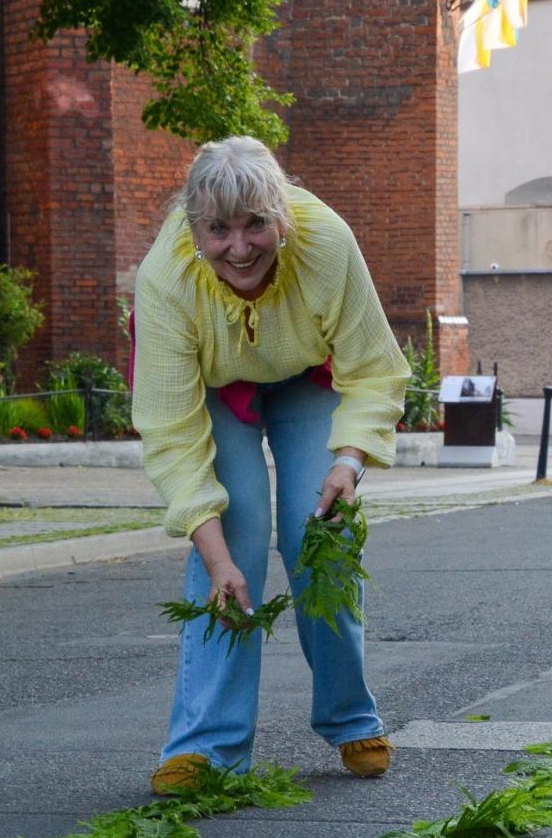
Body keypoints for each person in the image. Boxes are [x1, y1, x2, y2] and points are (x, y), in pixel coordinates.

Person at [130, 136, 410, 796]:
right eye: (218, 229)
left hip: (308, 377)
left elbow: (374, 365)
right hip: (215, 389)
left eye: (256, 223)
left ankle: (349, 717)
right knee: (237, 537)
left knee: (320, 534)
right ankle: (207, 746)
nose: (239, 246)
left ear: (281, 216)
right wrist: (215, 552)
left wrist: (350, 460)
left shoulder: (327, 244)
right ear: (193, 227)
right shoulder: (164, 280)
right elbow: (170, 431)